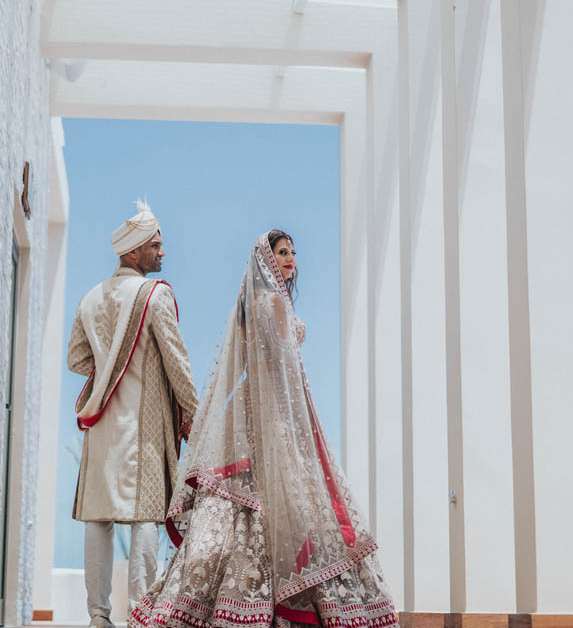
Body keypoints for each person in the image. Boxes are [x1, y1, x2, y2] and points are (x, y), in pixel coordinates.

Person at [129, 230, 398, 628]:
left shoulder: (250, 303)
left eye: (293, 253)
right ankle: (278, 604)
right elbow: (283, 362)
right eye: (282, 253)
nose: (290, 259)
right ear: (266, 260)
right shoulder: (272, 302)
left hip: (253, 401)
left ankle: (217, 603)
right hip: (274, 408)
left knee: (249, 503)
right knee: (282, 498)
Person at [67, 200, 200, 628]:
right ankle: (141, 613)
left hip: (101, 423)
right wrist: (195, 413)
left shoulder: (89, 299)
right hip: (142, 427)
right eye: (156, 246)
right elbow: (177, 361)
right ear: (133, 252)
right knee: (144, 516)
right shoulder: (153, 295)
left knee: (98, 518)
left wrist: (109, 372)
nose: (162, 253)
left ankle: (98, 617)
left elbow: (76, 359)